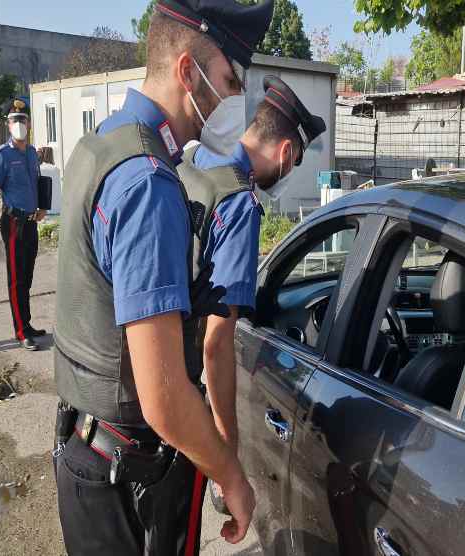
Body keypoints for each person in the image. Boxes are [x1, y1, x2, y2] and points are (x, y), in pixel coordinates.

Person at [51, 1, 274, 555]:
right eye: (226, 80)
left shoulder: (103, 141)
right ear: (185, 72)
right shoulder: (146, 182)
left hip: (88, 448)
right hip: (128, 480)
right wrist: (232, 476)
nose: (229, 100)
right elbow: (165, 396)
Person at [177, 75, 326, 508]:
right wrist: (227, 455)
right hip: (178, 383)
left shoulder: (196, 159)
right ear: (285, 151)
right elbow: (216, 345)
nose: (290, 170)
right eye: (295, 161)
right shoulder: (240, 206)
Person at [0, 99, 47, 351]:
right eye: (14, 120)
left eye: (23, 120)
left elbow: (37, 182)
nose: (19, 124)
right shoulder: (3, 155)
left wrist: (42, 207)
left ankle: (27, 323)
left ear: (29, 123)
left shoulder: (31, 153)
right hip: (13, 223)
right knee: (16, 279)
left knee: (28, 276)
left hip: (31, 222)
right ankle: (21, 331)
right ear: (8, 124)